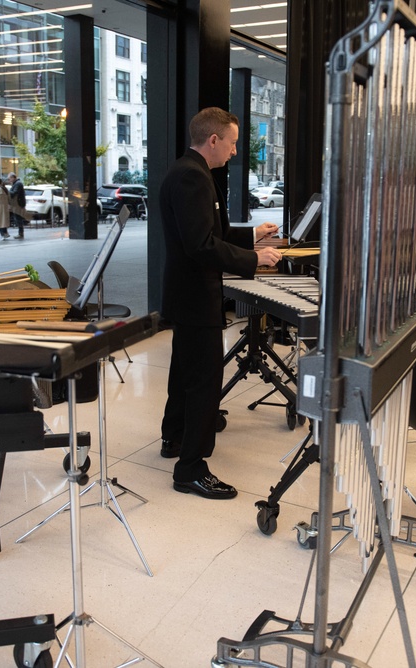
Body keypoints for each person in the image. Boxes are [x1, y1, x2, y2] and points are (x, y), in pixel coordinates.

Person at [158, 107, 281, 500]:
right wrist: (253, 260)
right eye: (231, 143)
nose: (233, 151)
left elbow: (217, 232)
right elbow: (200, 246)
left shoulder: (192, 171)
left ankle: (174, 438)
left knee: (184, 372)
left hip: (186, 293)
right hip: (195, 295)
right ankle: (190, 468)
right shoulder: (192, 177)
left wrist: (253, 236)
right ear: (213, 140)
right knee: (205, 383)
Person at [7, 172, 28, 238]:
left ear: (13, 178)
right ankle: (20, 233)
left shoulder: (18, 184)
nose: (9, 180)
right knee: (18, 219)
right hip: (17, 203)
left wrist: (7, 191)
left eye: (9, 178)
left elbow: (14, 193)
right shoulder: (16, 183)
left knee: (18, 219)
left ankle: (21, 233)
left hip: (18, 204)